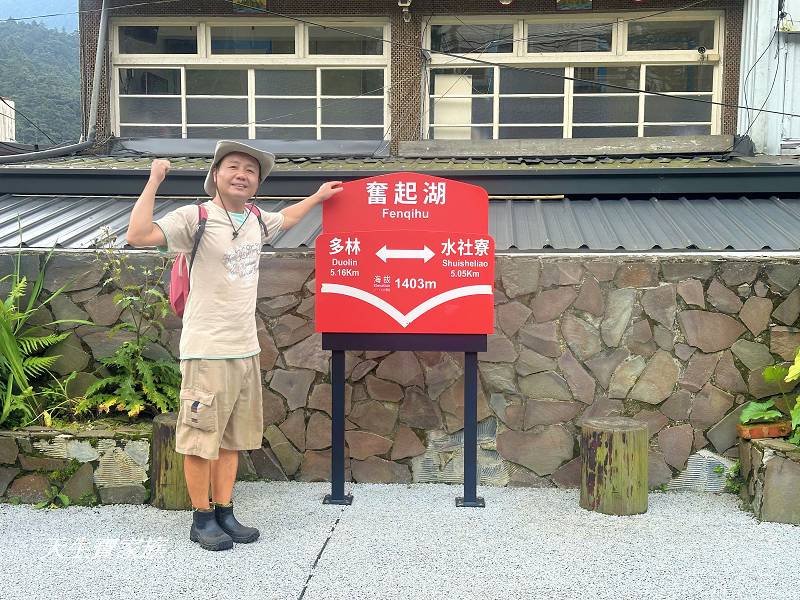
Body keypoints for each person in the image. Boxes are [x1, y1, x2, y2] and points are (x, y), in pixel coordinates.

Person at [127, 140, 342, 551]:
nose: (242, 174)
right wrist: (154, 180)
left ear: (257, 183)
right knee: (200, 438)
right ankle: (201, 517)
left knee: (232, 439)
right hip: (207, 349)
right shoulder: (197, 217)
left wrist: (317, 197)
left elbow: (289, 218)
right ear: (216, 174)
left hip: (246, 349)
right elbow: (138, 234)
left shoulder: (257, 219)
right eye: (233, 166)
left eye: (251, 170)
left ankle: (225, 510)